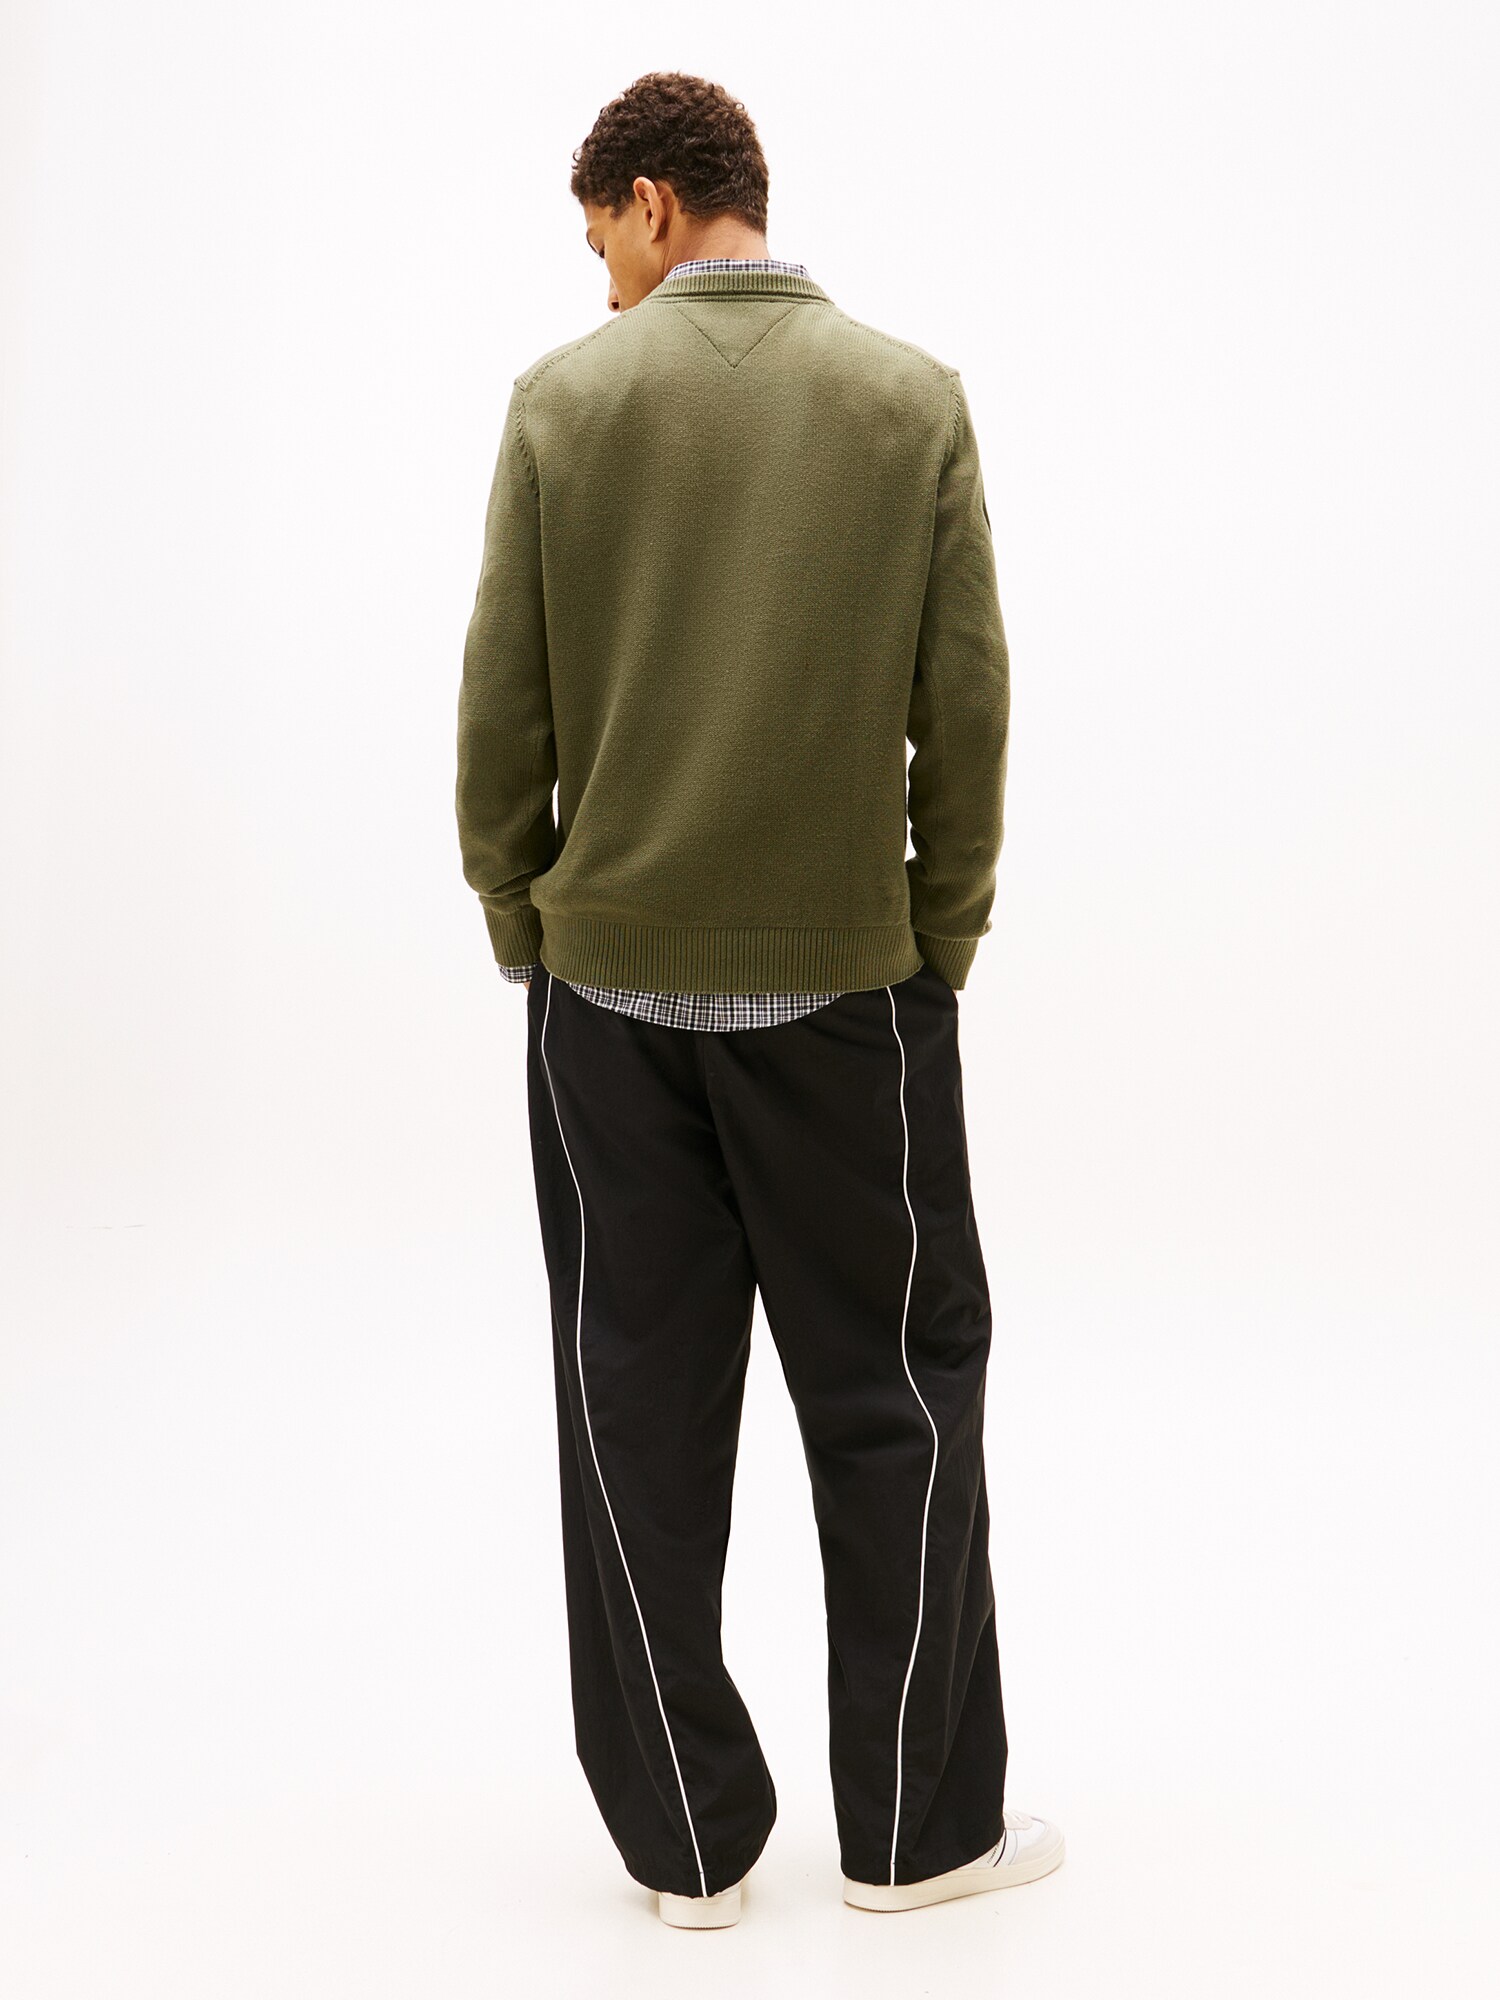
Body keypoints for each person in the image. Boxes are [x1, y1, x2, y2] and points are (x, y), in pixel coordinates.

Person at [455, 70, 1064, 1929]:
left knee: (633, 1412)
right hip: (846, 999)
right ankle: (916, 1834)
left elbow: (501, 713)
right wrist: (936, 940)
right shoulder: (907, 401)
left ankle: (688, 1851)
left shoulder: (562, 406)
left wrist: (524, 921)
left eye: (601, 244)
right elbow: (968, 709)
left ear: (654, 202)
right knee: (897, 1400)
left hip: (609, 1004)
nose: (601, 288)